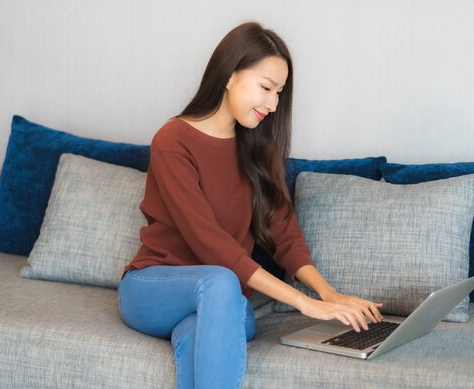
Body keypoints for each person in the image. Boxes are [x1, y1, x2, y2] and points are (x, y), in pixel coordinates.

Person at [118, 21, 384, 389]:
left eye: (279, 92)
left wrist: (328, 293)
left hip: (222, 302)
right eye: (266, 87)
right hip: (153, 289)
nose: (274, 104)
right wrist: (305, 304)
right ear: (229, 75)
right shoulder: (173, 141)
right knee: (221, 283)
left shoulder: (258, 150)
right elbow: (209, 242)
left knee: (205, 325)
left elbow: (286, 236)